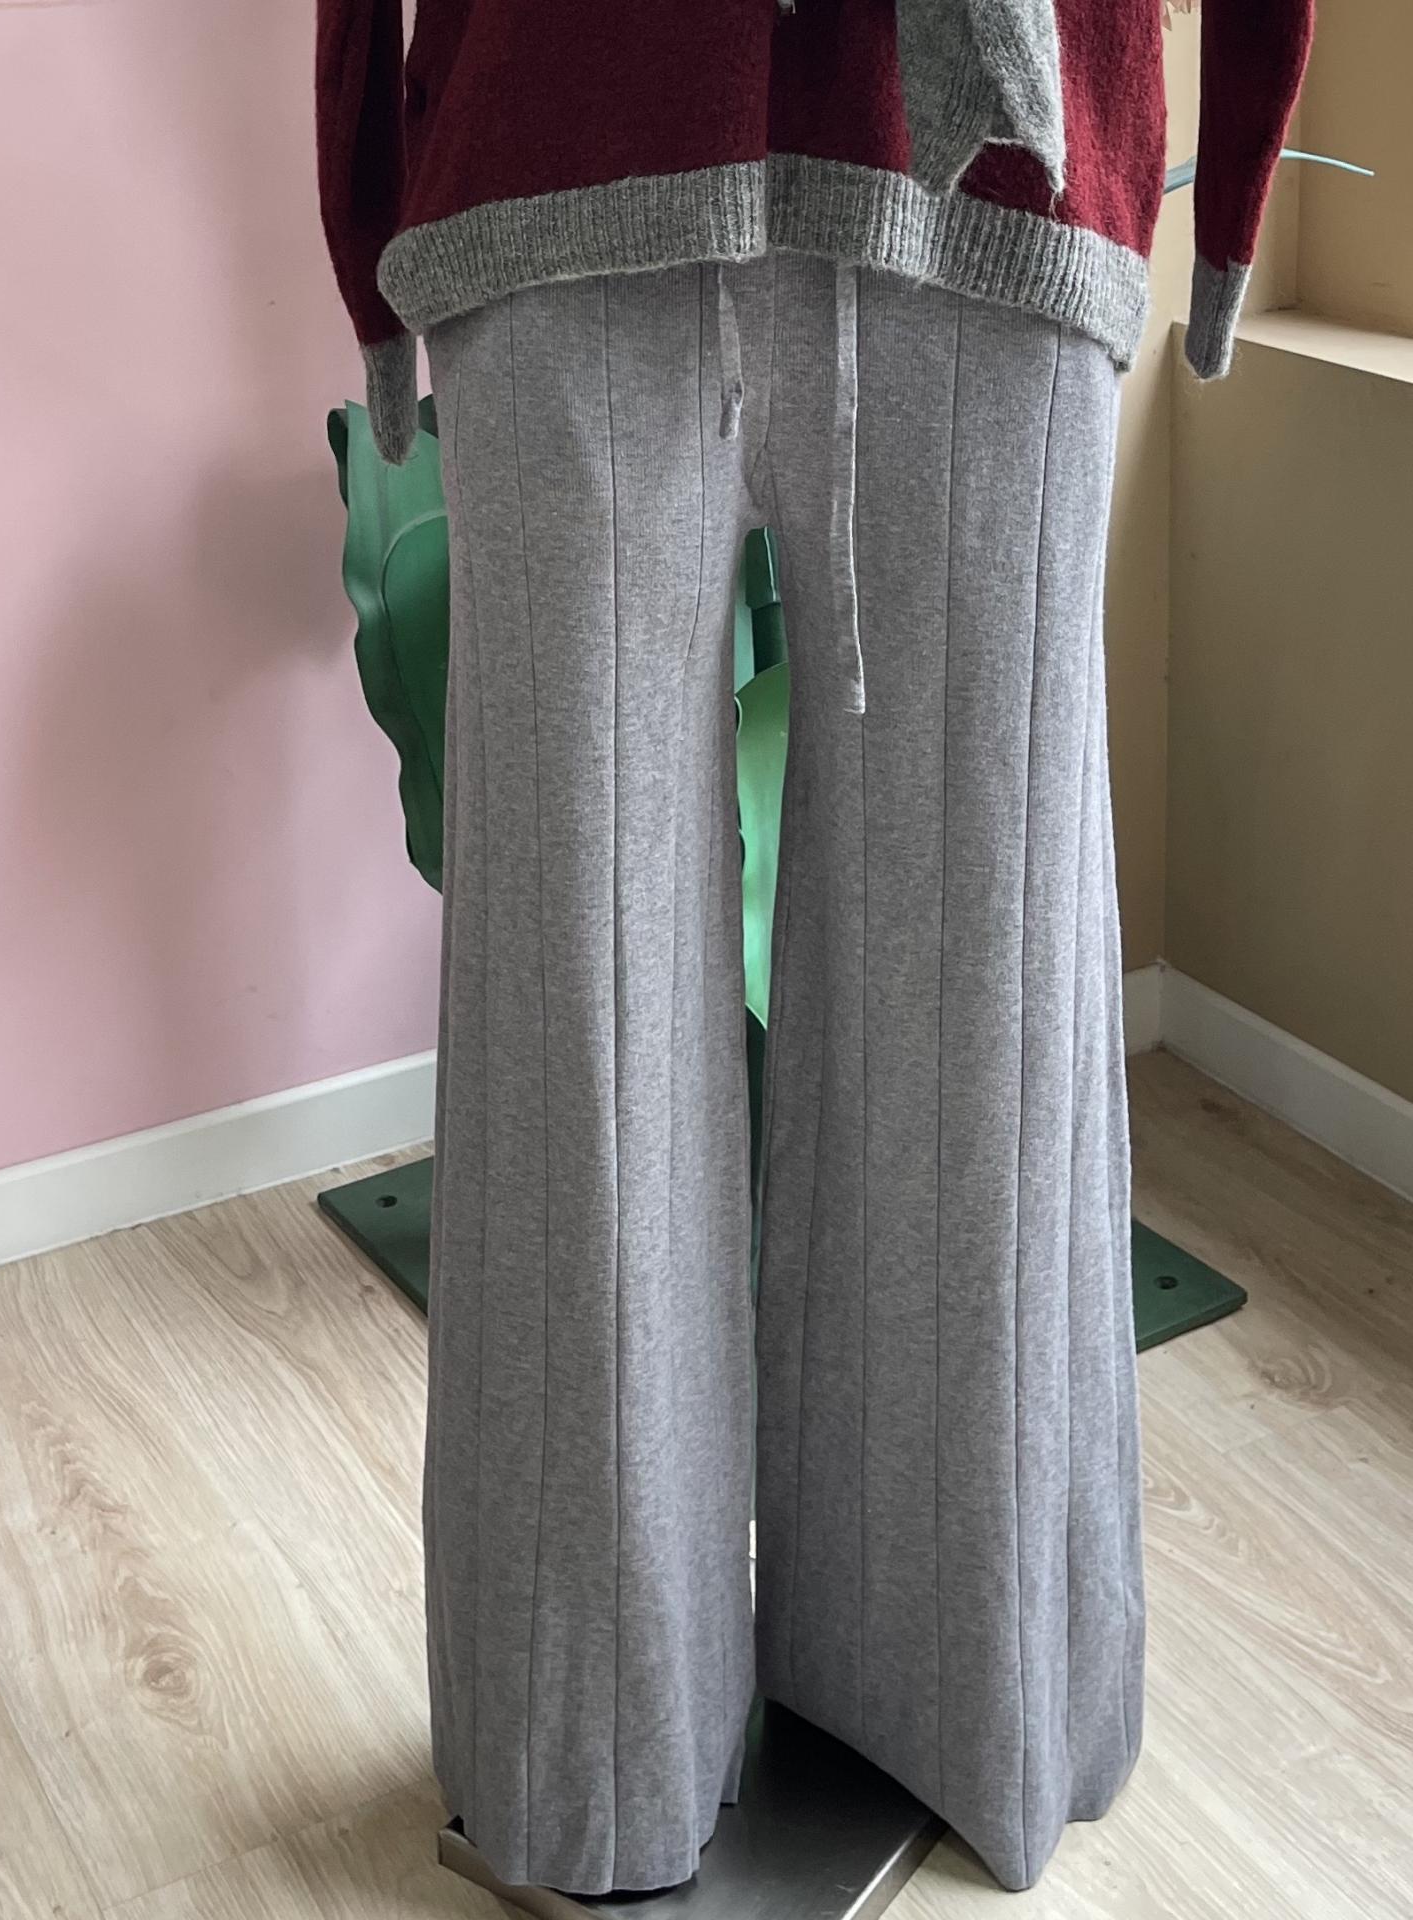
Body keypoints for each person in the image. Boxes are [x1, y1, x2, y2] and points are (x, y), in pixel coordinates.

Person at [315, 0, 1310, 1897]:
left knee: (986, 1019)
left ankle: (949, 1688)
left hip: (994, 184)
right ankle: (593, 1750)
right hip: (569, 147)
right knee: (580, 1021)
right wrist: (365, 192)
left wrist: (1241, 154)